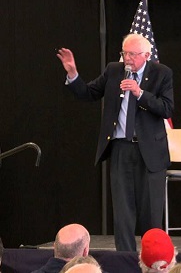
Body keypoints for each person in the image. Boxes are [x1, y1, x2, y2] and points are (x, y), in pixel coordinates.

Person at [57, 34, 174, 251]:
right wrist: (73, 74)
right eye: (124, 53)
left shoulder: (161, 73)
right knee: (123, 212)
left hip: (149, 152)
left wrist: (139, 93)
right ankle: (125, 260)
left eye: (132, 54)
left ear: (146, 55)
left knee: (151, 214)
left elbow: (167, 108)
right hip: (121, 148)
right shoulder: (113, 70)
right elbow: (89, 93)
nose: (127, 58)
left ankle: (155, 258)